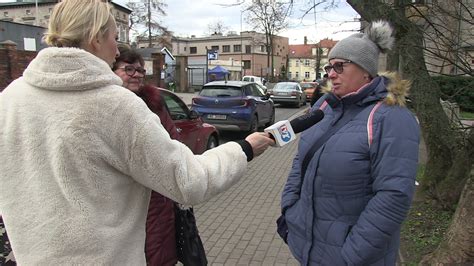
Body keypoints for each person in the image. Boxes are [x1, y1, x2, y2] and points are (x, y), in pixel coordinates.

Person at [0, 1, 274, 265]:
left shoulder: (10, 98)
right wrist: (243, 149)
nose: (117, 51)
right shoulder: (116, 105)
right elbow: (187, 181)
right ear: (96, 38)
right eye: (113, 38)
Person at [280, 21, 420, 265]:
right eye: (329, 67)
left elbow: (394, 196)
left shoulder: (392, 117)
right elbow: (300, 160)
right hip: (308, 247)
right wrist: (289, 209)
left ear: (366, 70)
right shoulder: (323, 106)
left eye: (340, 66)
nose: (331, 74)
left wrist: (350, 255)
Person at [113, 44, 179, 266]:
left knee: (158, 252)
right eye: (129, 69)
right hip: (121, 202)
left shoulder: (155, 104)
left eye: (140, 70)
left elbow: (173, 146)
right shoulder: (104, 107)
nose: (137, 75)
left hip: (157, 198)